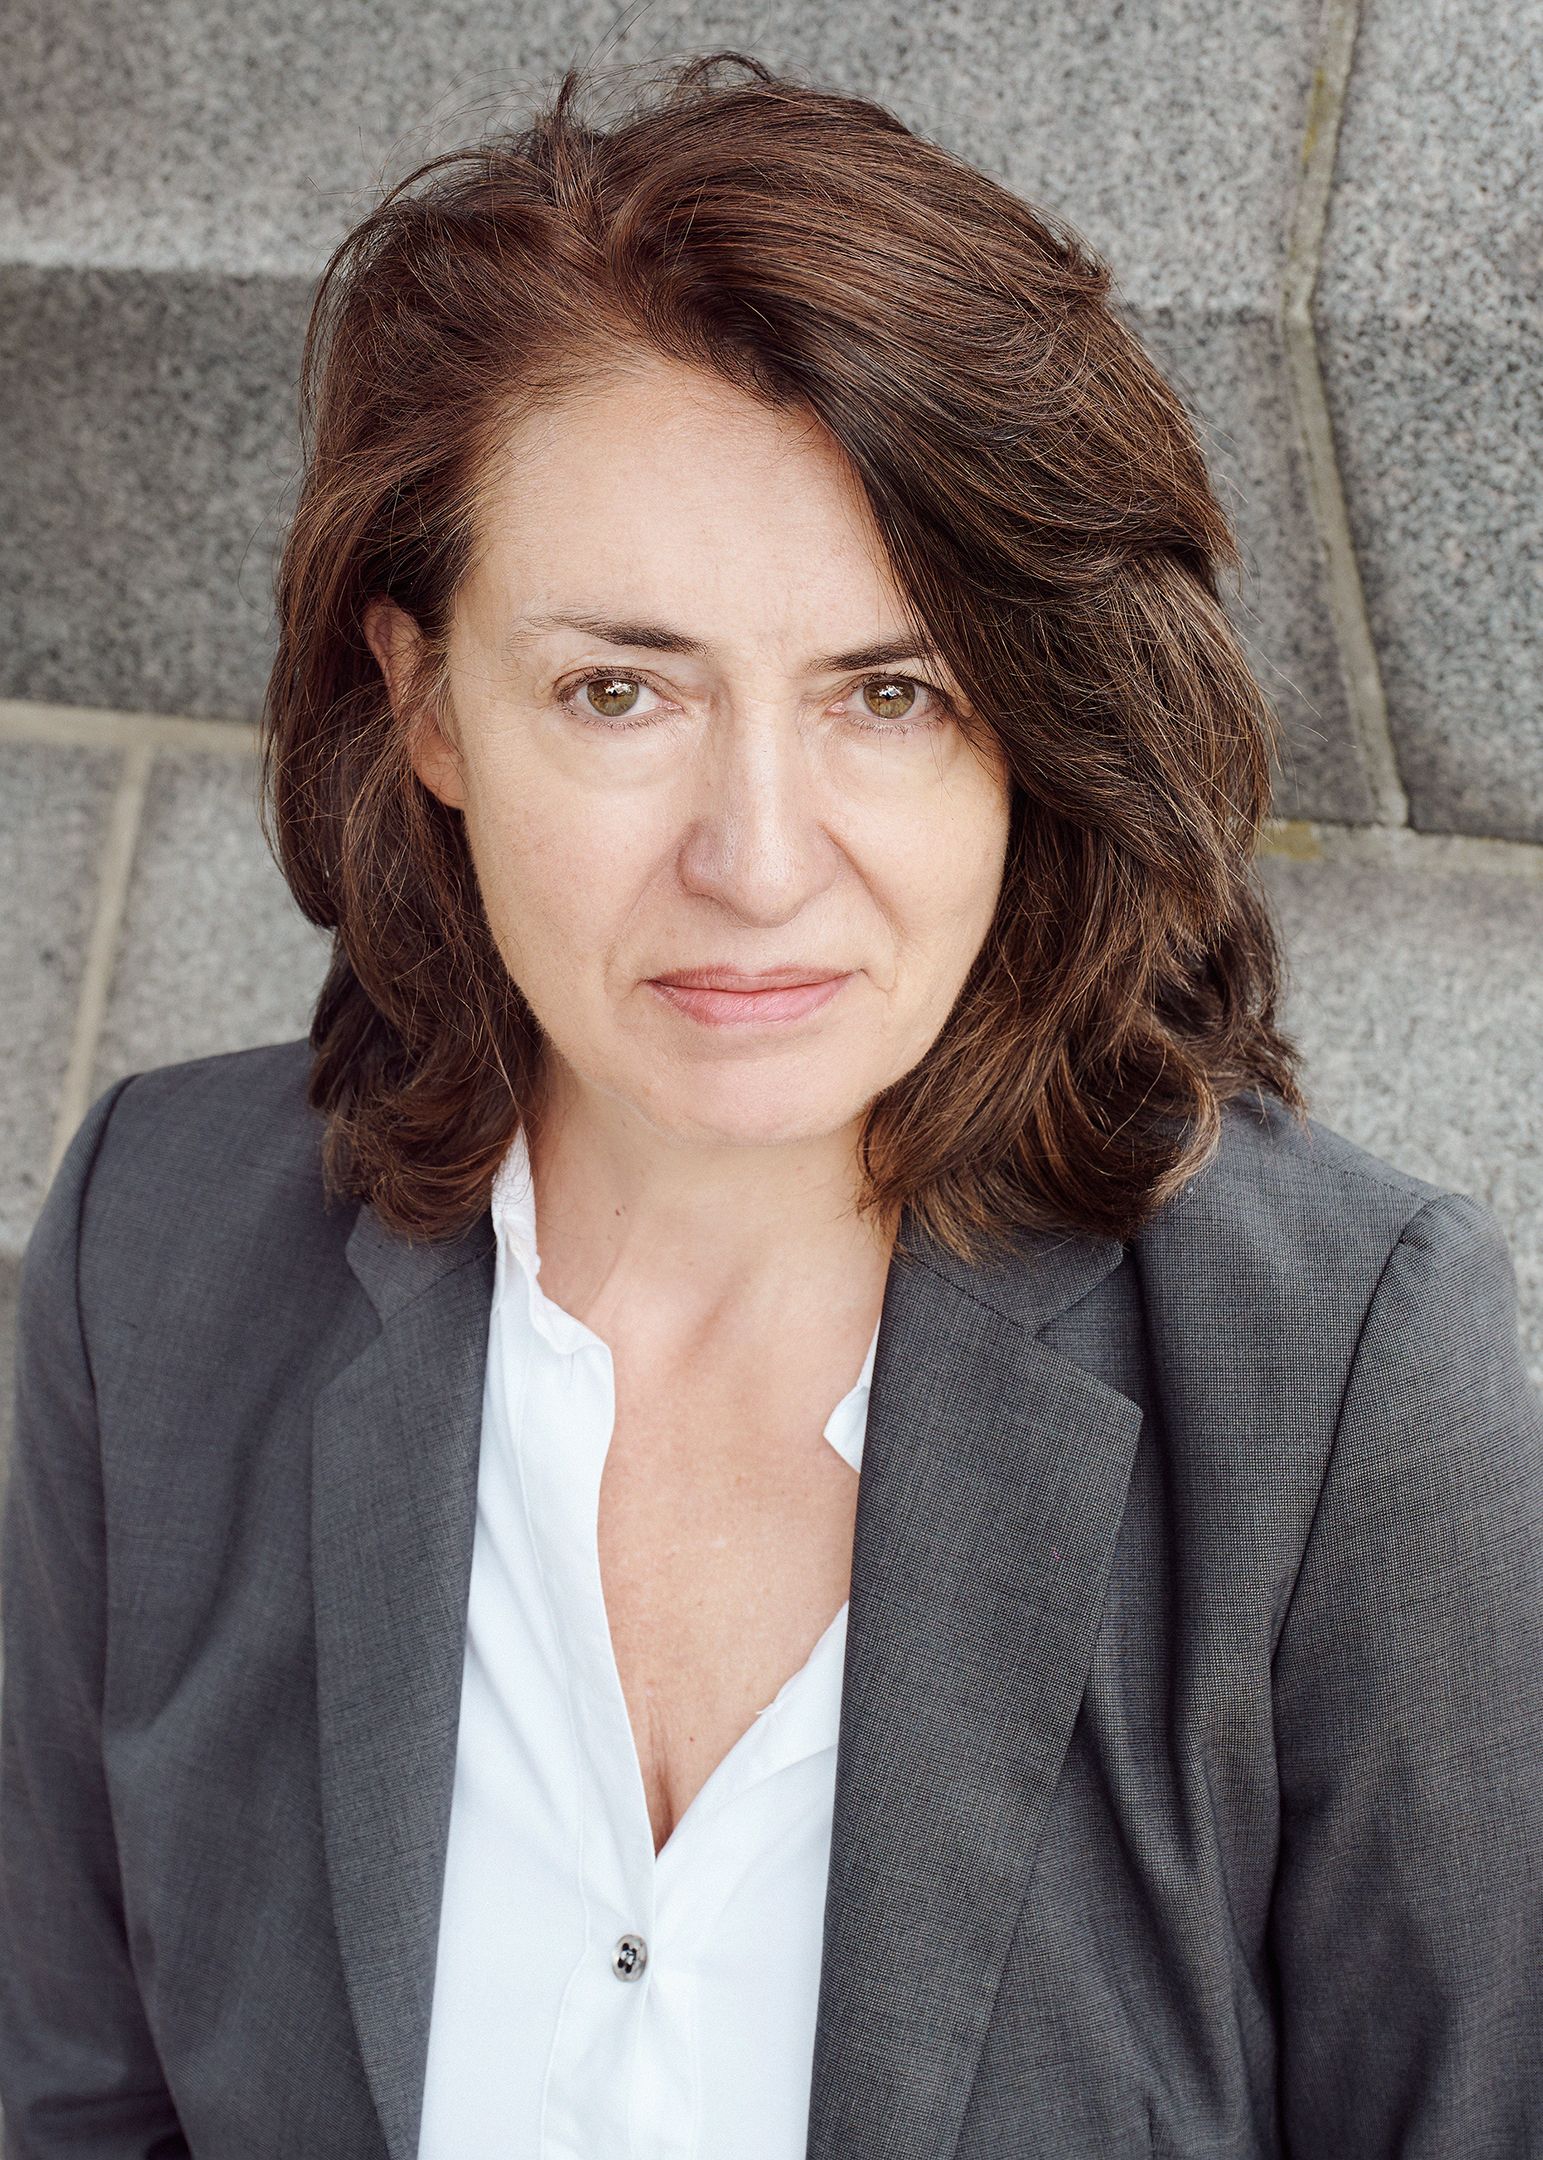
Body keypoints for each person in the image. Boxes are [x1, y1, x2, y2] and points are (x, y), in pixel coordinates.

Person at [2, 48, 1539, 2160]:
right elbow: (76, 2104)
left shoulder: (1338, 1368)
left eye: (889, 694)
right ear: (426, 701)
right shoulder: (156, 1249)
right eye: (618, 690)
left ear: (1037, 725)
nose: (754, 857)